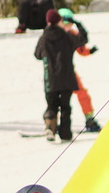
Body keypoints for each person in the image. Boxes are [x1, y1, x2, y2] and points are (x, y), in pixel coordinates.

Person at [35, 8, 85, 142]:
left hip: (50, 79)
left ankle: (50, 128)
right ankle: (65, 133)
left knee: (51, 105)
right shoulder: (67, 36)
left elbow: (37, 54)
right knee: (65, 107)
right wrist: (77, 24)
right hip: (66, 77)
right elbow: (82, 39)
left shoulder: (44, 38)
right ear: (59, 21)